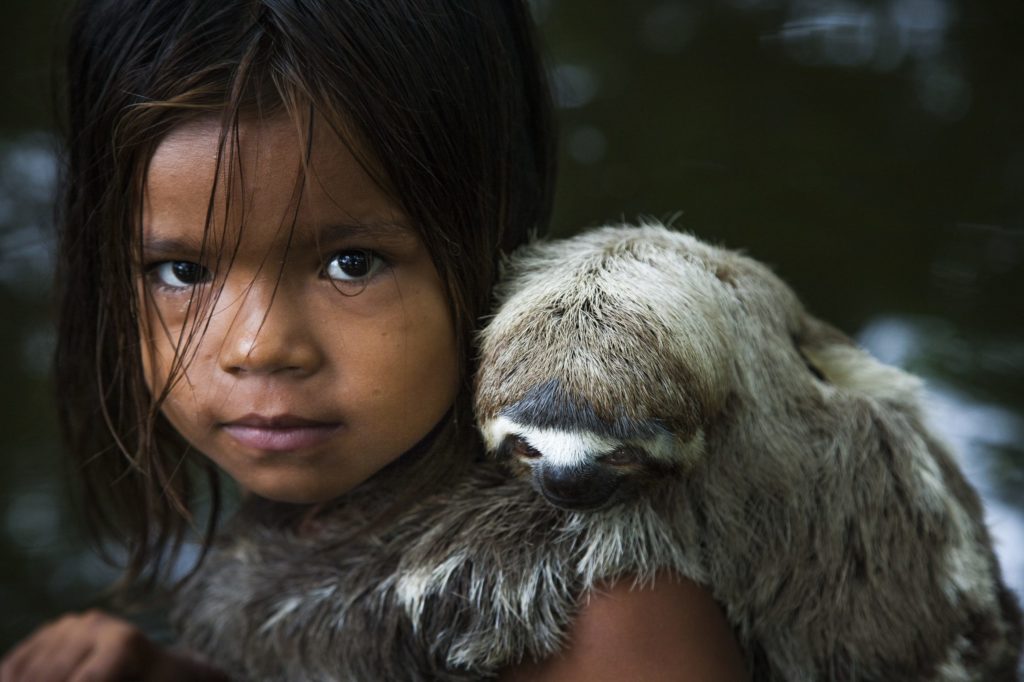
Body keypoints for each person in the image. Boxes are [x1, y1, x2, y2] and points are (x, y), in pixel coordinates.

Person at [0, 1, 748, 680]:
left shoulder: (599, 605)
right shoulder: (324, 508)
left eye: (350, 264)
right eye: (183, 269)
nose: (258, 347)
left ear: (493, 230)